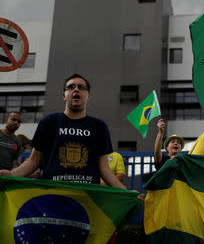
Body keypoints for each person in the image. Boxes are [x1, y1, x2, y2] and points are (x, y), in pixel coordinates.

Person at [0, 74, 142, 199]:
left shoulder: (99, 127)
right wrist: (12, 175)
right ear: (64, 95)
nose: (76, 89)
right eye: (71, 87)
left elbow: (104, 169)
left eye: (81, 87)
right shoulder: (48, 122)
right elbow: (33, 160)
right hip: (53, 195)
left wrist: (126, 192)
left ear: (89, 95)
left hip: (87, 197)